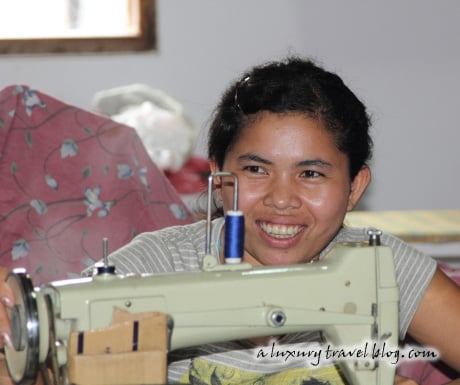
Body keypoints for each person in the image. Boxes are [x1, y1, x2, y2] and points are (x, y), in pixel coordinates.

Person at [1, 56, 460, 385]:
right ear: (218, 178)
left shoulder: (380, 267)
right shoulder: (151, 268)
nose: (283, 199)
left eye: (312, 173)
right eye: (256, 170)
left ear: (355, 188)